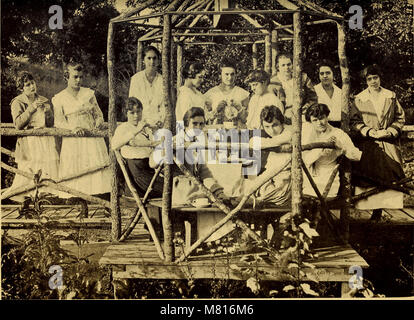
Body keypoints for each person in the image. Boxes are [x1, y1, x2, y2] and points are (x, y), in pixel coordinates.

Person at [350, 64, 406, 219]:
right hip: (370, 143)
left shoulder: (391, 96)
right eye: (369, 79)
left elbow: (400, 117)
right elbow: (354, 121)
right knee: (369, 175)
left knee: (390, 173)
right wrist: (368, 131)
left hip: (388, 143)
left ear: (380, 78)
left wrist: (390, 131)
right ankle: (372, 211)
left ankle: (385, 210)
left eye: (375, 78)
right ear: (366, 81)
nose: (373, 81)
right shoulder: (359, 99)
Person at [53, 60, 111, 199]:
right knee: (77, 172)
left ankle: (105, 204)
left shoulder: (89, 94)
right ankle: (81, 205)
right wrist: (73, 128)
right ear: (67, 76)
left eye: (81, 77)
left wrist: (98, 122)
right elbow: (59, 121)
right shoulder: (59, 98)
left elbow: (99, 115)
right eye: (75, 77)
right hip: (73, 139)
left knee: (97, 170)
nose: (79, 80)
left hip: (91, 137)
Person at [2, 71, 59, 201]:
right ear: (21, 88)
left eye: (32, 83)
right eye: (27, 85)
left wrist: (49, 112)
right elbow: (17, 124)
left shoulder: (43, 100)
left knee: (46, 173)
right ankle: (25, 203)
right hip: (29, 142)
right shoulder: (18, 102)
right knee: (28, 175)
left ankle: (42, 203)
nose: (32, 86)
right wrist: (31, 108)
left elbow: (50, 124)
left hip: (45, 140)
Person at [302, 104, 362, 198]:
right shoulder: (308, 133)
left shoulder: (337, 133)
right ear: (310, 121)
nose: (319, 123)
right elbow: (305, 159)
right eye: (315, 120)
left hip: (328, 177)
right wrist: (320, 150)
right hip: (308, 178)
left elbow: (357, 156)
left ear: (327, 117)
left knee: (320, 200)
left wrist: (341, 147)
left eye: (321, 118)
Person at [111, 97, 163, 197]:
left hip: (150, 169)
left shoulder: (145, 128)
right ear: (126, 113)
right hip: (138, 175)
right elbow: (114, 145)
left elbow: (151, 146)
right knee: (170, 189)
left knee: (176, 184)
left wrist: (155, 130)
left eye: (138, 112)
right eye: (132, 113)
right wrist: (137, 130)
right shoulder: (123, 128)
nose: (136, 116)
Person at [245, 105, 293, 207]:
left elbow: (278, 140)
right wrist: (278, 147)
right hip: (272, 176)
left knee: (267, 193)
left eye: (275, 125)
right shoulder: (272, 137)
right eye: (267, 126)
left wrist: (266, 144)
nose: (271, 130)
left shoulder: (289, 133)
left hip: (286, 179)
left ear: (282, 122)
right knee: (250, 186)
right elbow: (252, 142)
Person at [269, 53, 318, 122]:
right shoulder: (273, 83)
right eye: (283, 65)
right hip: (281, 117)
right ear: (278, 67)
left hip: (303, 115)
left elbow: (313, 98)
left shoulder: (302, 78)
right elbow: (271, 105)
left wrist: (305, 110)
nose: (286, 68)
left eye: (289, 64)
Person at [204, 57, 250, 126]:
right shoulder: (211, 94)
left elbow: (249, 120)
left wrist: (240, 109)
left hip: (238, 134)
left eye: (232, 74)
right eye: (226, 74)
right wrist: (216, 111)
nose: (230, 78)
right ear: (220, 75)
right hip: (217, 134)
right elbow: (205, 119)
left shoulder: (243, 94)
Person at [128, 46, 165, 128]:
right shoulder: (136, 79)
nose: (152, 61)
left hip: (157, 124)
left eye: (155, 58)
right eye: (149, 58)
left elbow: (164, 106)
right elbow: (131, 104)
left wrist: (161, 120)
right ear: (143, 60)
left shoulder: (162, 80)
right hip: (139, 124)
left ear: (158, 61)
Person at [314, 60, 342, 127]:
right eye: (322, 74)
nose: (325, 76)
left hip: (338, 127)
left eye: (328, 73)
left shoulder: (340, 92)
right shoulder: (314, 91)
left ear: (333, 74)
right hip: (320, 126)